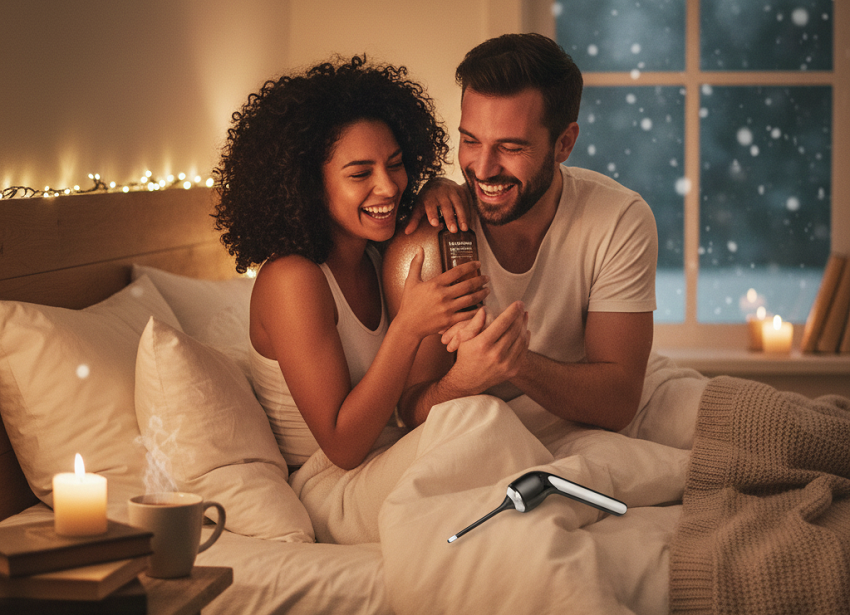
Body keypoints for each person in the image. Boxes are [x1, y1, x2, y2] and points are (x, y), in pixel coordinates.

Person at [384, 33, 707, 449]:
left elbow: (619, 401)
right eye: (470, 141)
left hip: (589, 423)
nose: (482, 169)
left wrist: (514, 362)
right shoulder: (429, 237)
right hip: (480, 434)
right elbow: (410, 411)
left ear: (564, 143)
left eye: (510, 147)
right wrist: (467, 377)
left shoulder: (619, 219)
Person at [212, 55, 489, 473]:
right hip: (331, 483)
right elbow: (342, 447)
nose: (389, 185)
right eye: (360, 174)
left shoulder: (382, 255)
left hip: (403, 459)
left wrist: (440, 185)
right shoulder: (292, 279)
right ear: (308, 184)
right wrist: (408, 327)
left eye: (395, 164)